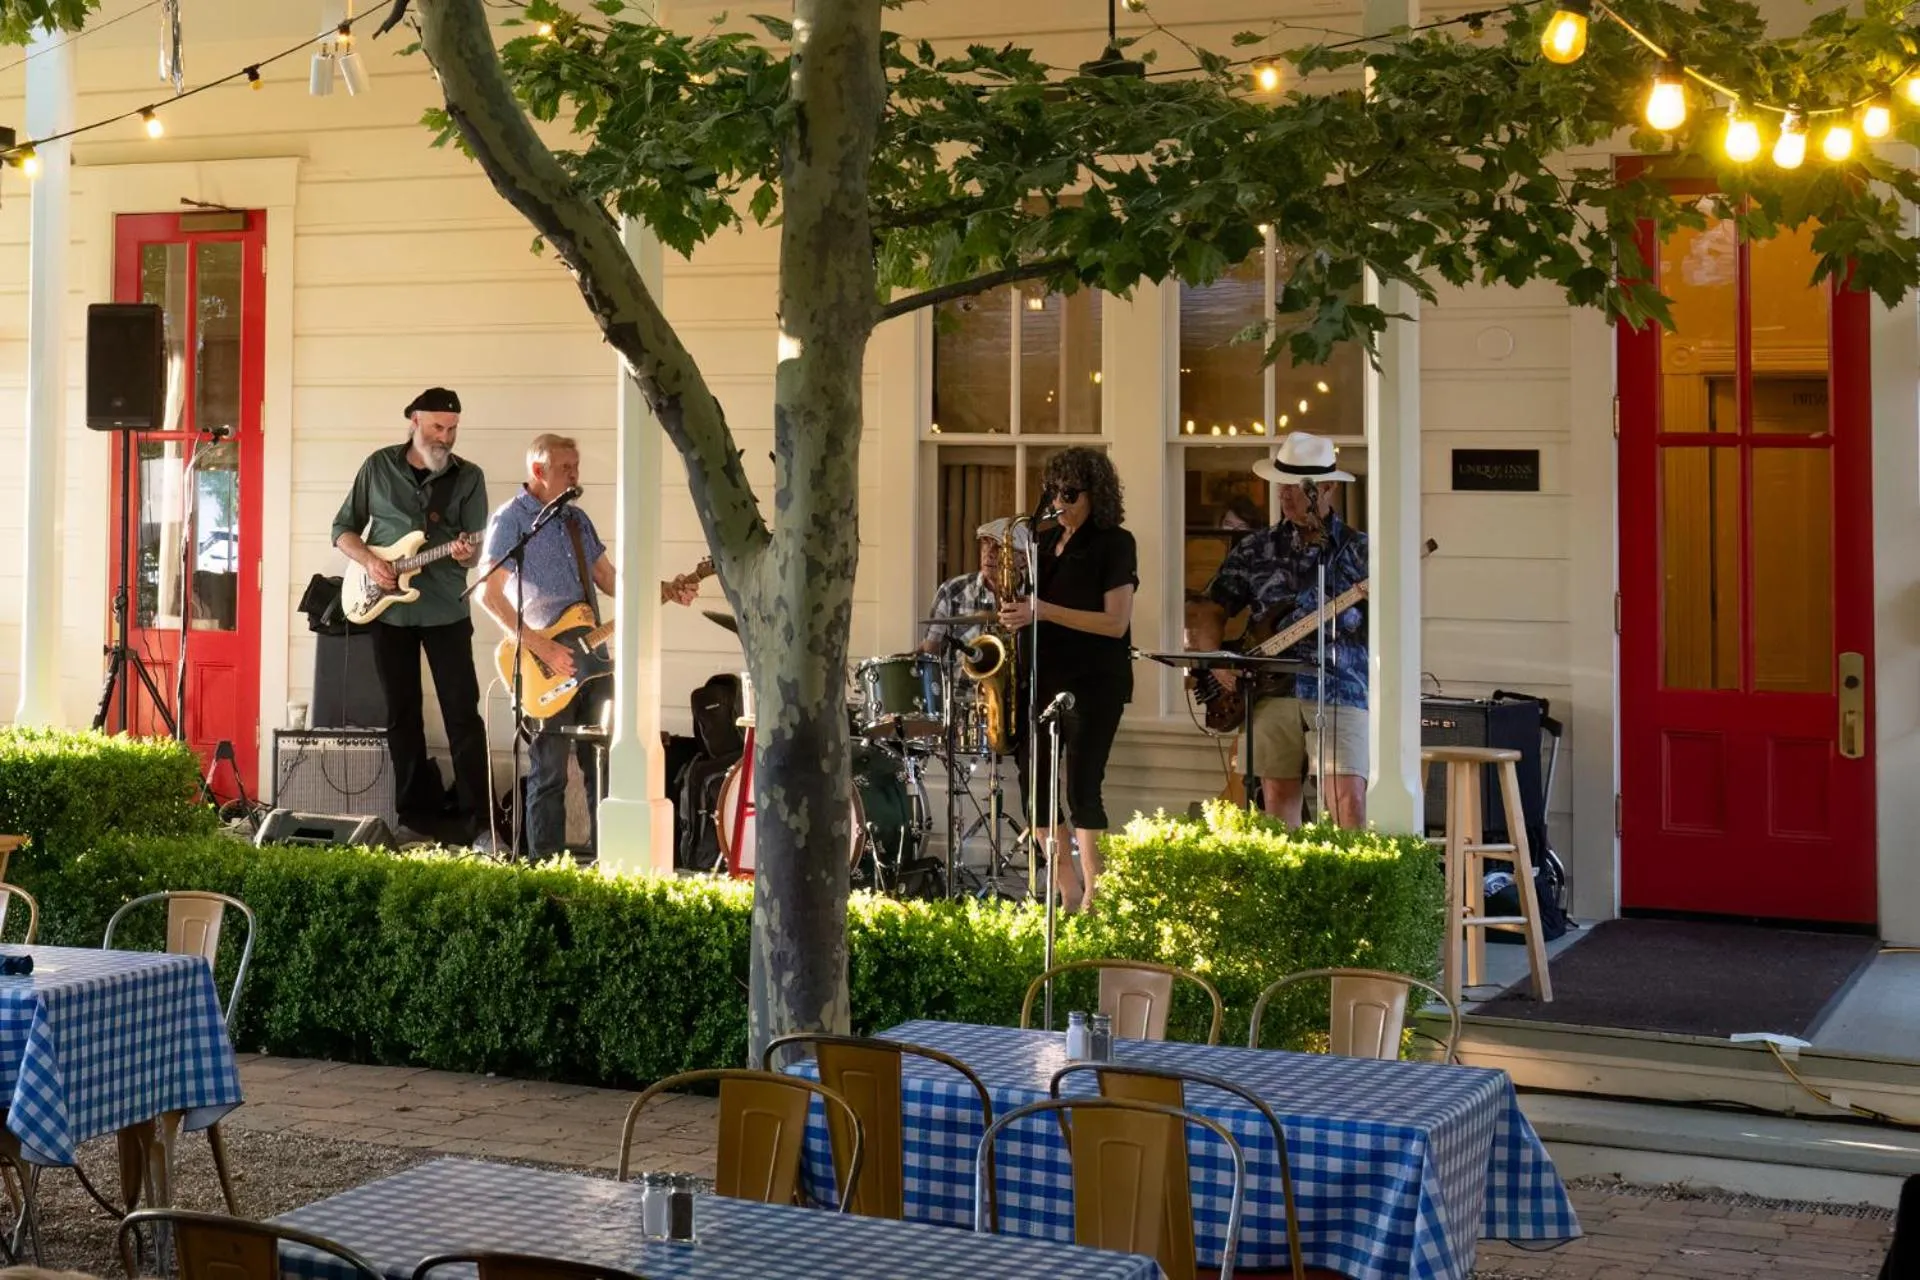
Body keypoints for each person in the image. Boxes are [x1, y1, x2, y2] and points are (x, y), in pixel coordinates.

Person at [332, 387, 491, 846]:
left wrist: (466, 552)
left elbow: (474, 553)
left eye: (453, 429)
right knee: (401, 716)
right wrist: (369, 562)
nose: (446, 437)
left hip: (445, 608)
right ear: (415, 422)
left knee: (462, 714)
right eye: (438, 427)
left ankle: (478, 822)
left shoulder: (469, 477)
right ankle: (413, 818)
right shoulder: (378, 467)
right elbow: (341, 528)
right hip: (386, 610)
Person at [1188, 431, 1369, 828]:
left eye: (1294, 488)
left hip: (1341, 686)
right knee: (1276, 799)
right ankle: (1290, 886)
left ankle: (1351, 888)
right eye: (1281, 487)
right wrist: (1218, 659)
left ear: (1325, 489)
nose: (1284, 497)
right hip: (1270, 689)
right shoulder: (1256, 548)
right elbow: (1209, 608)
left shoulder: (1361, 551)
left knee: (1347, 800)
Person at [998, 447, 1136, 912]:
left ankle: (1097, 895)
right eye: (1054, 491)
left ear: (1096, 494)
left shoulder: (1115, 543)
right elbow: (1032, 611)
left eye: (1071, 492)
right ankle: (1067, 890)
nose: (1060, 500)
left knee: (1082, 787)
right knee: (1034, 788)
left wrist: (1043, 611)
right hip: (1041, 678)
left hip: (1093, 681)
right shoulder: (1043, 543)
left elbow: (1115, 623)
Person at [477, 434, 618, 859]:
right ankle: (546, 873)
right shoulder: (511, 522)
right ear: (538, 472)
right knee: (550, 773)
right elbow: (488, 594)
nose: (575, 475)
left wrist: (659, 590)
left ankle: (610, 861)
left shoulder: (576, 521)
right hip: (546, 666)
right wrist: (541, 647)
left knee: (604, 766)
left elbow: (610, 580)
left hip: (594, 662)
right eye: (565, 469)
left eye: (576, 466)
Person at [918, 523, 1005, 656]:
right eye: (985, 544)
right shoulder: (951, 590)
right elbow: (929, 650)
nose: (989, 553)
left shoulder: (1033, 594)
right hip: (963, 676)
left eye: (998, 546)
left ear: (1021, 557)